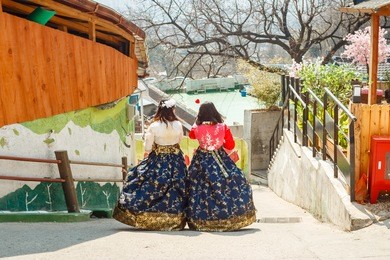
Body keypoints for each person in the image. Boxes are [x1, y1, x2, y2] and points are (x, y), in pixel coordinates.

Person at [113, 99, 187, 231]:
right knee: (175, 188)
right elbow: (180, 139)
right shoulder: (178, 125)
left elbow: (147, 147)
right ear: (172, 109)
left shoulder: (154, 126)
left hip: (158, 160)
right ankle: (174, 219)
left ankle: (146, 215)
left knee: (148, 184)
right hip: (176, 160)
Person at [186, 101, 256, 231]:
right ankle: (232, 215)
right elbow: (231, 146)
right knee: (234, 181)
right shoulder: (223, 127)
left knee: (197, 186)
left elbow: (190, 136)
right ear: (215, 112)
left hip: (202, 159)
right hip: (220, 158)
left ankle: (201, 219)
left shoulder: (197, 128)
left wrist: (197, 122)